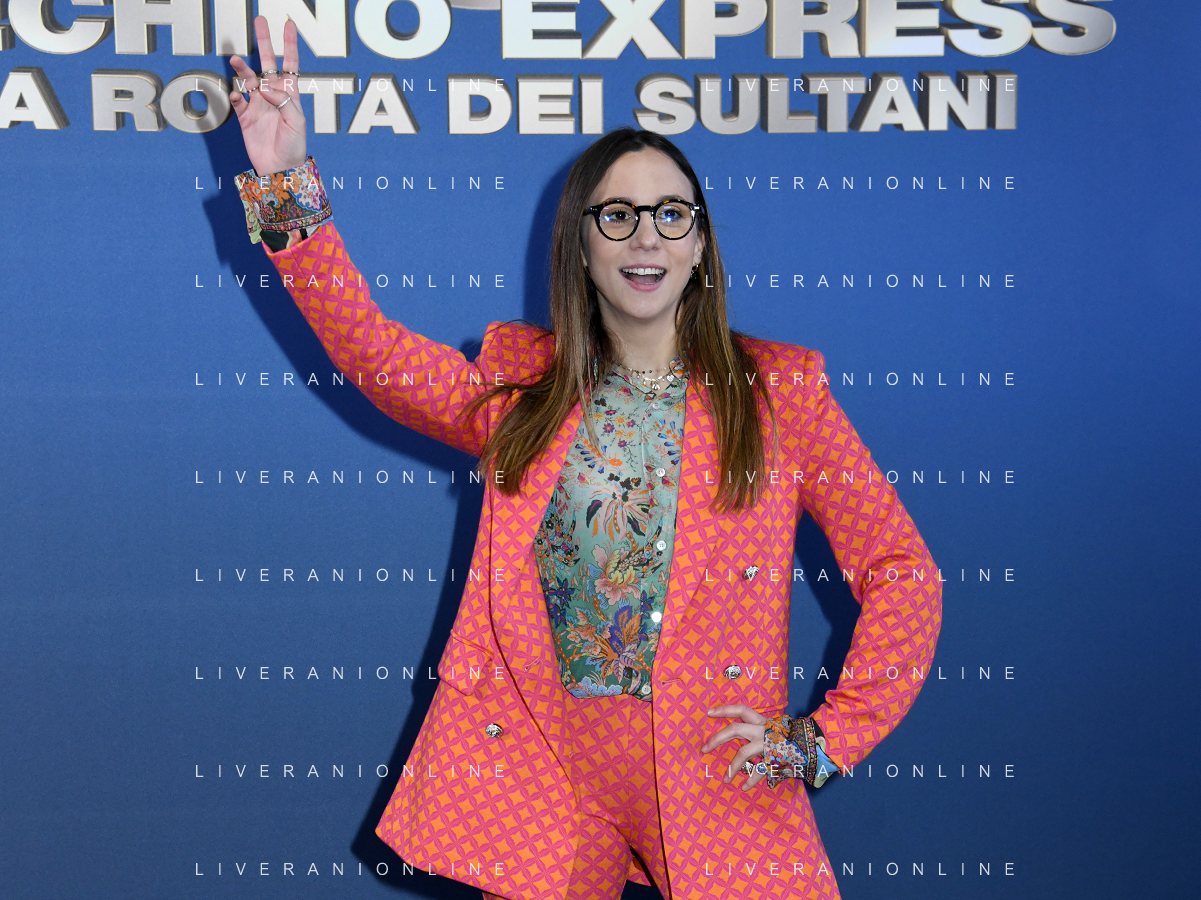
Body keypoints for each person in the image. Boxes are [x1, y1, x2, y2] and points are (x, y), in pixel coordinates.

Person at [227, 17, 942, 900]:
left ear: (699, 246)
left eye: (670, 215)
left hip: (713, 766)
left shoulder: (780, 393)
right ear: (582, 245)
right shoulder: (521, 385)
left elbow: (901, 570)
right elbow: (369, 352)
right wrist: (282, 180)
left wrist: (827, 737)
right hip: (543, 771)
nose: (646, 238)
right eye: (617, 216)